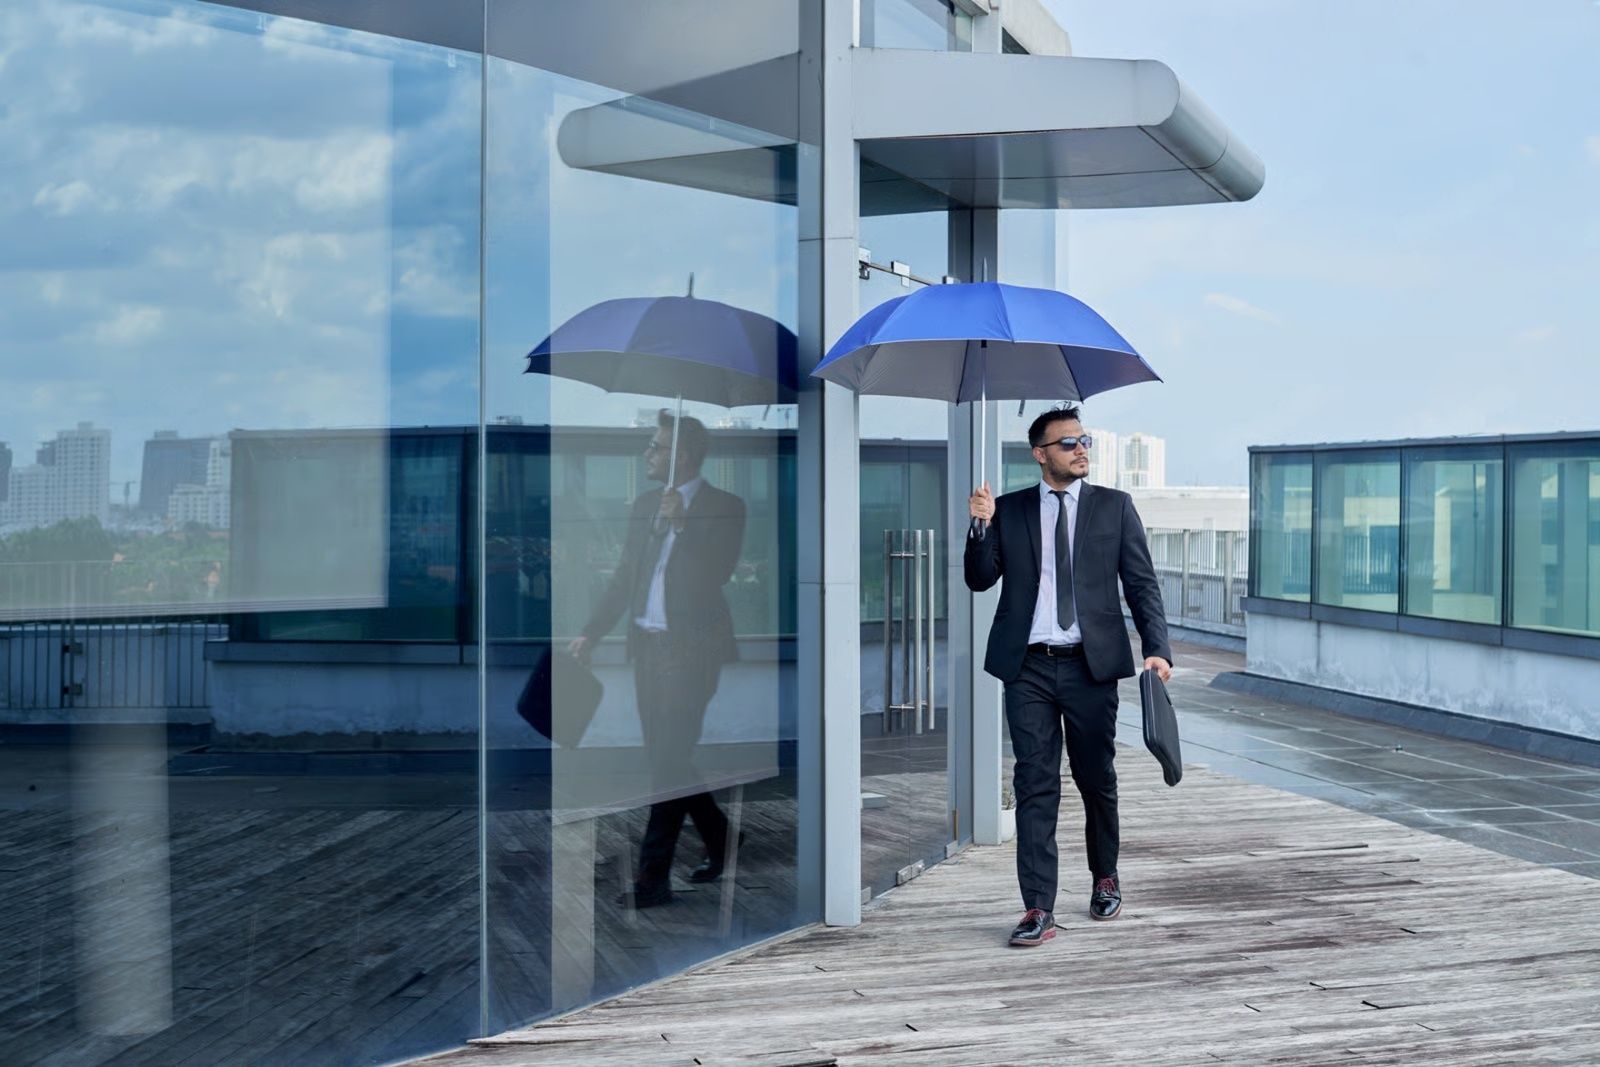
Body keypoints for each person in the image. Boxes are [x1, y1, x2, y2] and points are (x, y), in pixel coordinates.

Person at [964, 405, 1172, 947]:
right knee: (1035, 783)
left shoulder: (1114, 508)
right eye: (1068, 443)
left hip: (1091, 666)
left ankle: (1105, 875)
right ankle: (1038, 907)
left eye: (1084, 442)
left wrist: (1158, 649)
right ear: (1040, 454)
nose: (1081, 450)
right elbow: (979, 579)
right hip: (1027, 665)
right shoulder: (1007, 510)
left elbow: (1142, 585)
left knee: (1095, 778)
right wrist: (980, 523)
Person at [568, 411, 745, 909]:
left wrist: (684, 526)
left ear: (680, 457)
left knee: (667, 761)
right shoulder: (646, 503)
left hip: (692, 653)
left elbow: (717, 575)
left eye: (655, 446)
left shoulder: (725, 506)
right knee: (667, 759)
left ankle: (652, 879)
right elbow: (626, 575)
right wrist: (591, 631)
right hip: (647, 648)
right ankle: (724, 839)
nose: (647, 454)